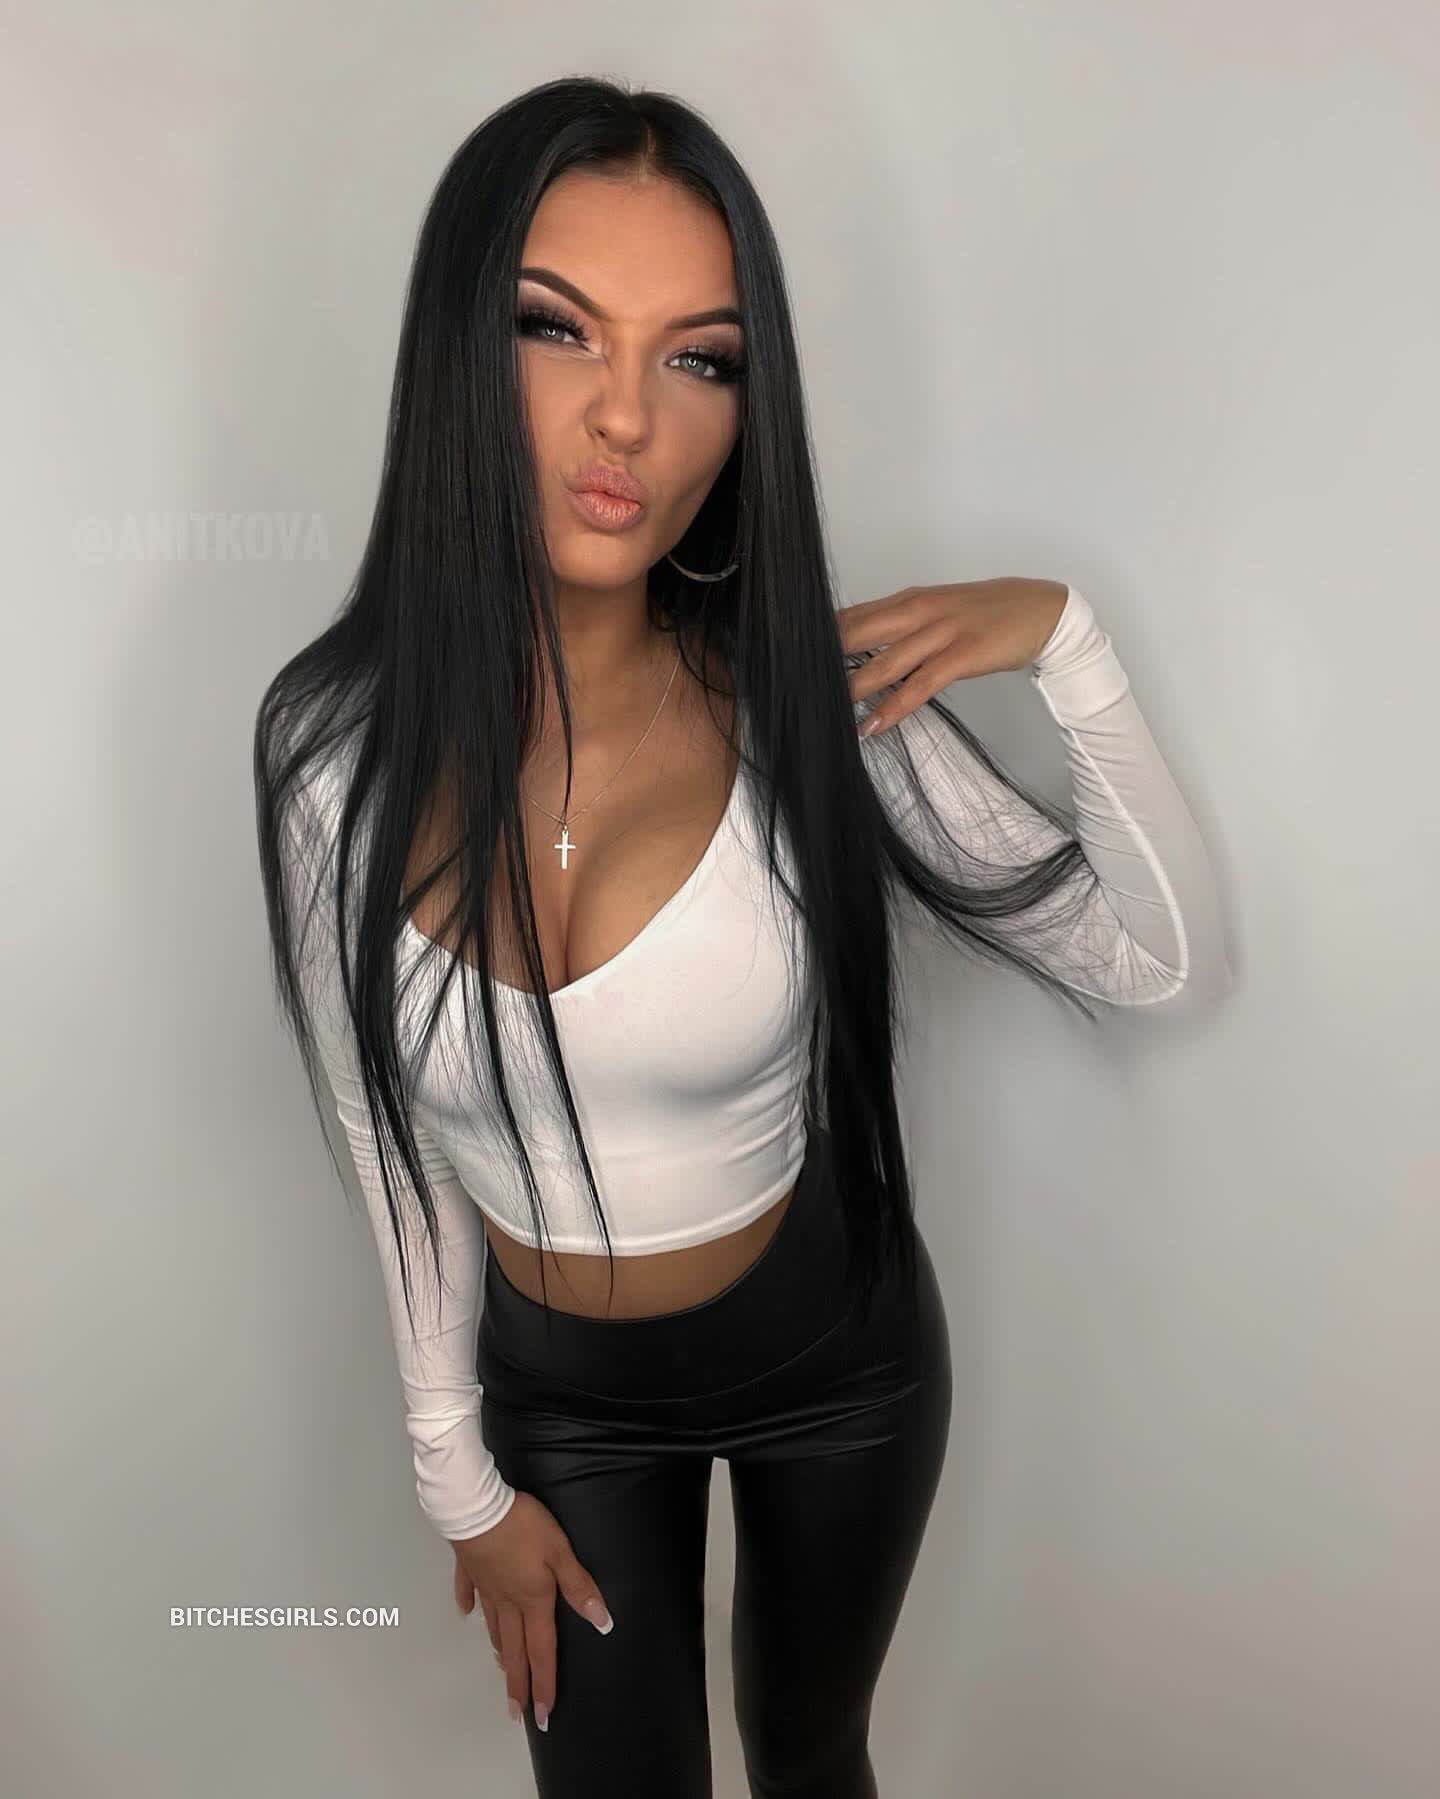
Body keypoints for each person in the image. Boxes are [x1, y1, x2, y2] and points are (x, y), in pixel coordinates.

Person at [254, 77, 1231, 1799]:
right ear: (456, 346)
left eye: (700, 358)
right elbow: (379, 1128)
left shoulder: (814, 711)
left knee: (810, 1757)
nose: (628, 417)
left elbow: (1158, 960)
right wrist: (455, 1480)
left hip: (837, 1366)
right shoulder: (329, 760)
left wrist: (1068, 641)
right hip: (563, 1404)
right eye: (557, 329)